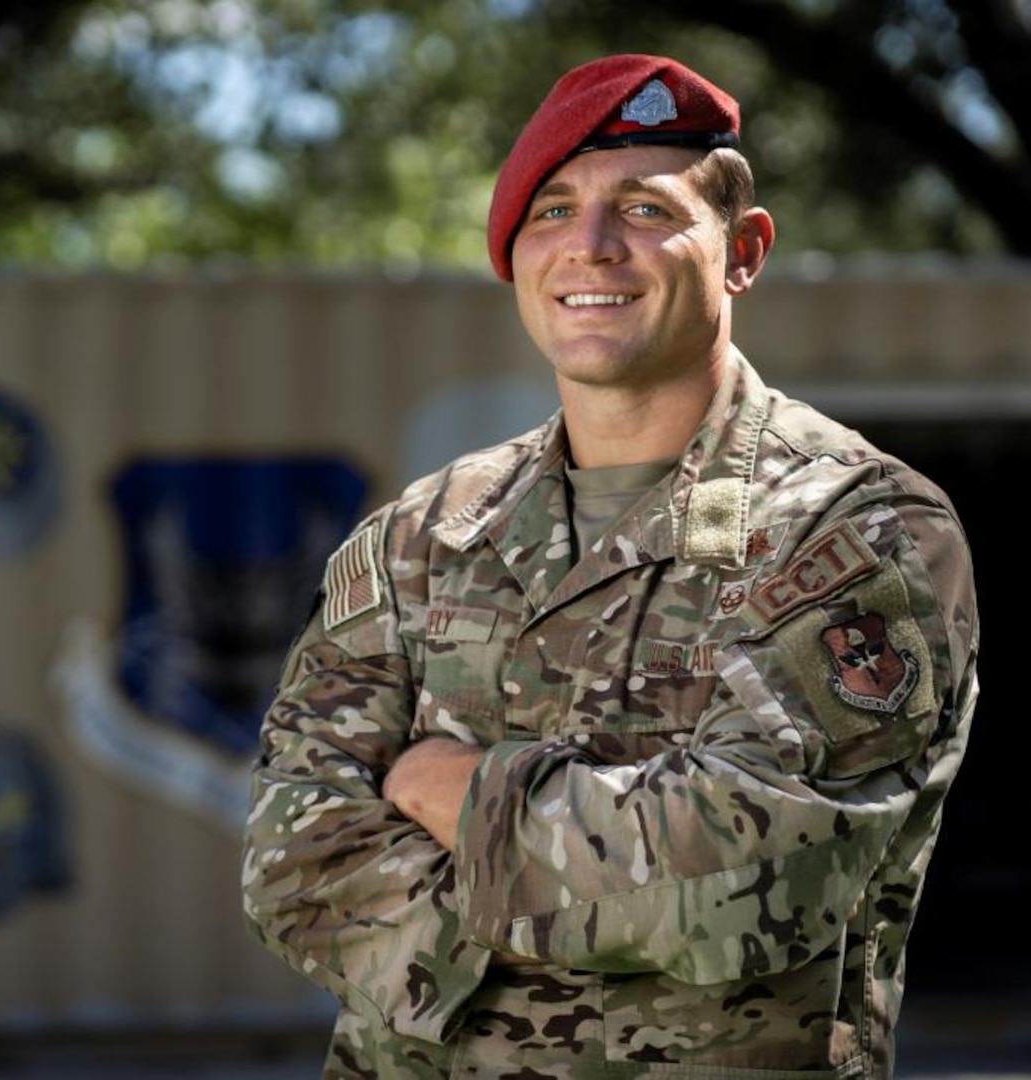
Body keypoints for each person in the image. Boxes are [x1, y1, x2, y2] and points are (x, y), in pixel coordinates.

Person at [240, 52, 979, 1079]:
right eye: (550, 211)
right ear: (514, 253)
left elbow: (744, 888)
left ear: (742, 251)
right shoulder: (423, 532)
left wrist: (448, 792)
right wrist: (603, 869)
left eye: (643, 209)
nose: (589, 247)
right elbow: (293, 861)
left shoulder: (857, 527)